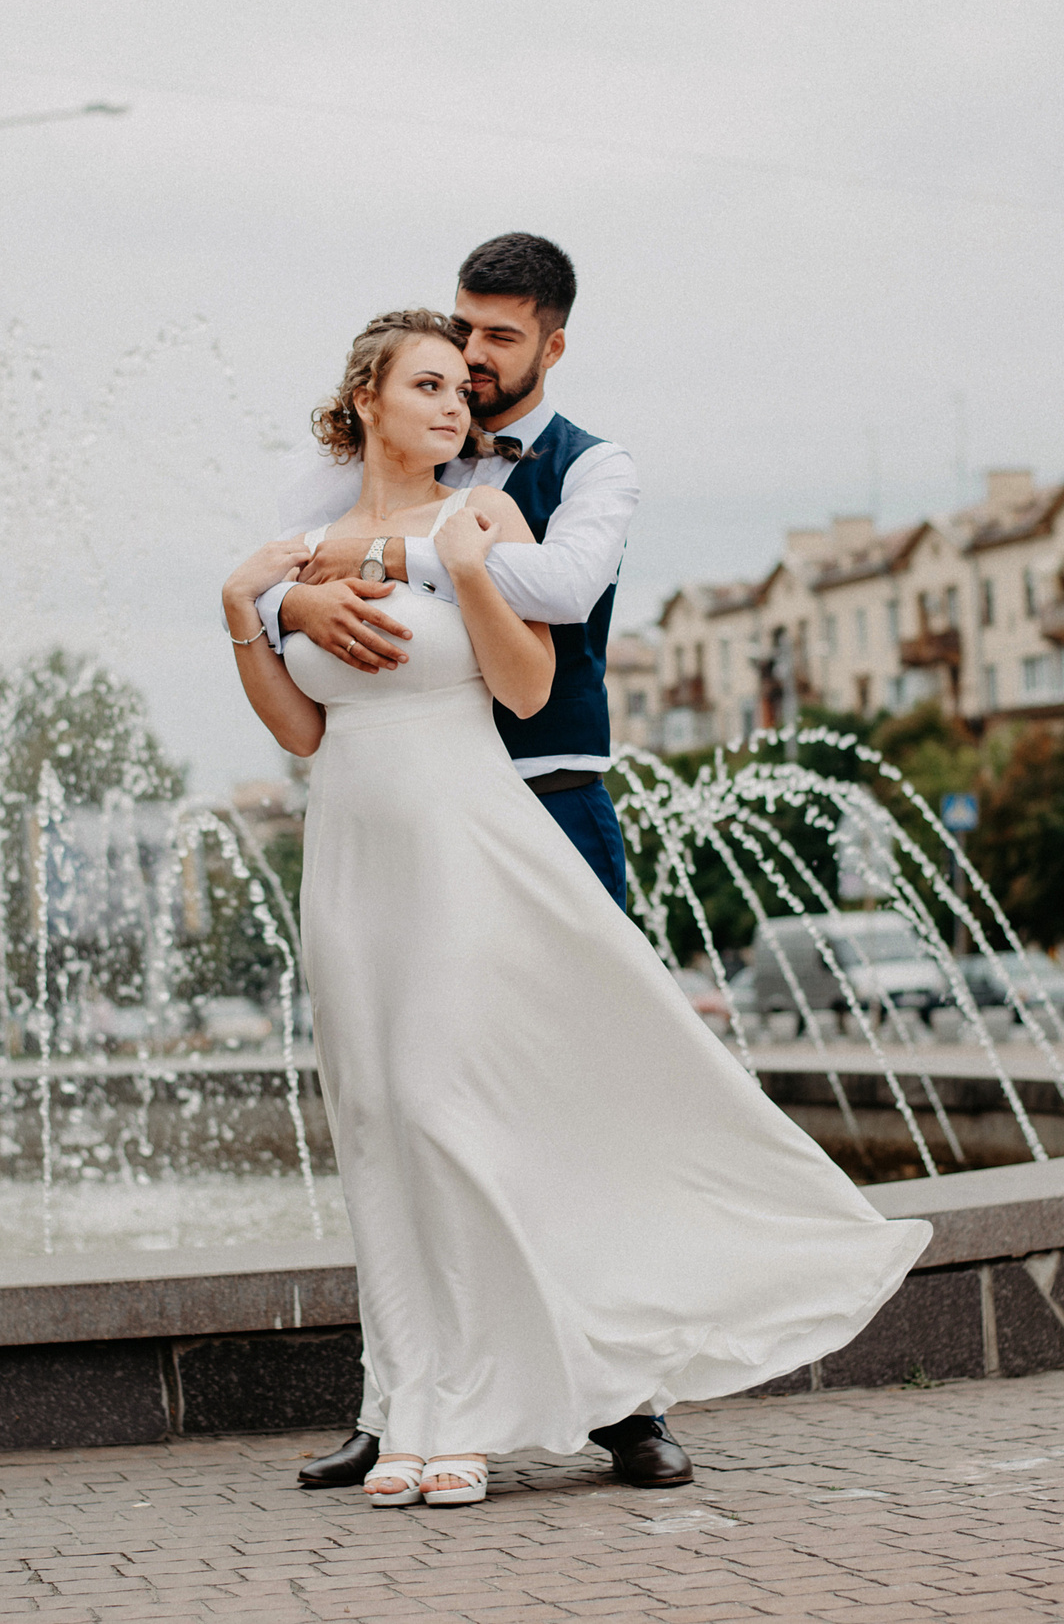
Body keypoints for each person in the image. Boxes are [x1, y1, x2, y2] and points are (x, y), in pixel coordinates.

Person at [220, 308, 932, 1508]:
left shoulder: (483, 514)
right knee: (378, 1121)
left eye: (464, 384)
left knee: (449, 1104)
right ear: (366, 402)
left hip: (462, 835)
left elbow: (527, 680)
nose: (456, 404)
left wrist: (439, 563)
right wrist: (252, 609)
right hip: (350, 852)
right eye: (430, 385)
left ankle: (476, 1410)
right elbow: (299, 729)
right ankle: (400, 1400)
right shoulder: (305, 542)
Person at [256, 234, 678, 1489]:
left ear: (551, 342)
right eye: (458, 333)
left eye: (497, 339)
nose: (473, 360)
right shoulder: (355, 472)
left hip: (548, 799)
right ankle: (411, 1401)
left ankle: (624, 1400)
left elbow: (557, 581)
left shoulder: (588, 467)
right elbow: (269, 565)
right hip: (400, 813)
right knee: (405, 1104)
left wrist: (374, 557)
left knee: (574, 1093)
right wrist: (285, 604)